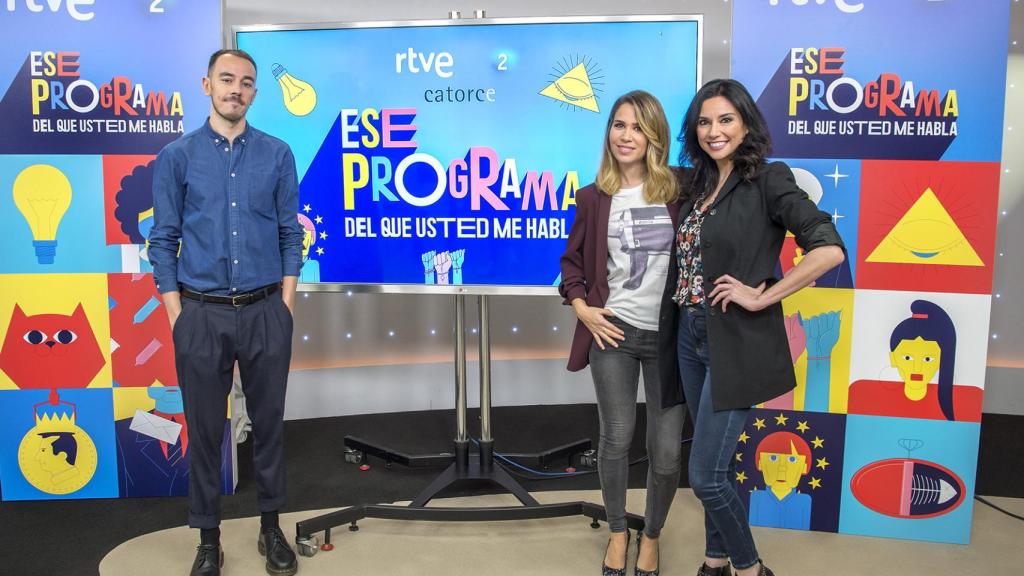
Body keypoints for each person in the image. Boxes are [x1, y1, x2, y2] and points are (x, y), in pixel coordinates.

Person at [657, 79, 845, 576]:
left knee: (704, 477)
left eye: (725, 120)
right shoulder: (697, 184)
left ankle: (749, 567)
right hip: (690, 334)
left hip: (737, 340)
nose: (714, 131)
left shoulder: (769, 178)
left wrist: (762, 295)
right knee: (714, 464)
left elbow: (828, 249)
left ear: (745, 124)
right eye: (704, 121)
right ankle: (715, 560)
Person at [149, 48, 304, 576]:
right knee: (204, 430)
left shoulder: (278, 154)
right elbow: (163, 240)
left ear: (255, 92)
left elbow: (290, 234)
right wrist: (178, 316)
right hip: (201, 315)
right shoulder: (178, 156)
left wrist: (285, 306)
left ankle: (270, 530)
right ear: (207, 85)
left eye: (246, 82)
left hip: (265, 312)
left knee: (269, 426)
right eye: (226, 79)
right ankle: (208, 539)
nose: (236, 88)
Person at [560, 90, 687, 576]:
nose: (626, 135)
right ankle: (618, 533)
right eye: (618, 125)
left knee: (666, 452)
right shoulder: (593, 197)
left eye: (637, 126)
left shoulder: (682, 189)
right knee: (615, 438)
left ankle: (651, 535)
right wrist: (583, 309)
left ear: (654, 133)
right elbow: (572, 262)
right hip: (612, 332)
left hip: (670, 339)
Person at [847, 299, 982, 422]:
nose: (917, 368)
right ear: (893, 359)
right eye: (907, 358)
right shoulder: (862, 389)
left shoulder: (967, 397)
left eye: (928, 359)